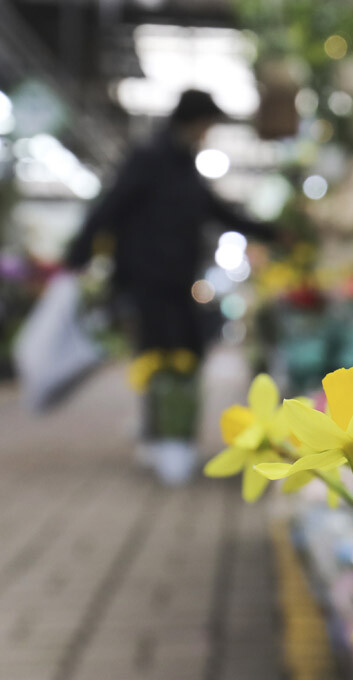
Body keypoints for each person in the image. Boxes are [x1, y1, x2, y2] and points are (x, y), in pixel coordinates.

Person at [65, 89, 279, 483]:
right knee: (161, 357)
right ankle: (164, 440)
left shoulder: (184, 165)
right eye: (208, 124)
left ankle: (169, 437)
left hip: (178, 280)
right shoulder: (148, 158)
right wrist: (76, 256)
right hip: (148, 279)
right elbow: (111, 206)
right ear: (194, 121)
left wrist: (270, 230)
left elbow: (216, 210)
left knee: (180, 353)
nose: (208, 133)